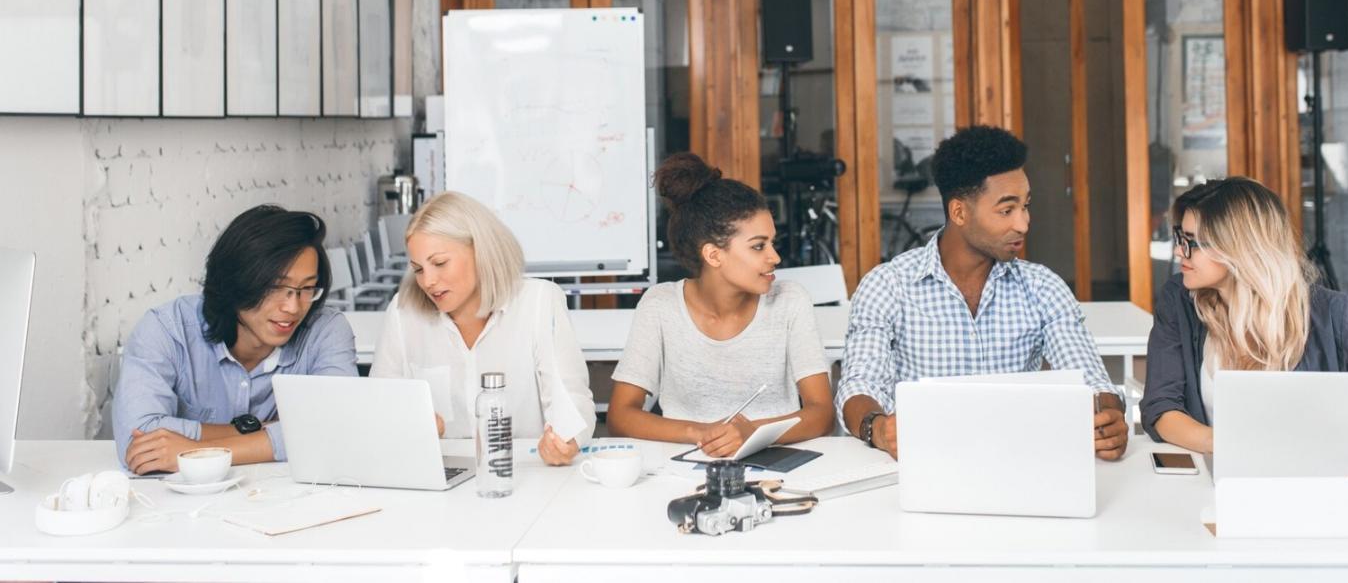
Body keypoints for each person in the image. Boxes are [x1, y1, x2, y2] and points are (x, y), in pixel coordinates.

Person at [837, 125, 1128, 460]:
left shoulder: (1042, 287)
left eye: (1025, 206)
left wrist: (1109, 415)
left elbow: (1092, 381)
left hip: (1018, 463)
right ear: (959, 212)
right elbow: (858, 386)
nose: (1023, 223)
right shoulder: (888, 286)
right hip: (924, 465)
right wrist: (879, 428)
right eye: (1007, 210)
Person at [1141, 176, 1348, 453]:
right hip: (1218, 484)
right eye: (1181, 238)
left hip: (1323, 489)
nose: (1180, 252)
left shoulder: (1337, 315)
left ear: (1242, 248)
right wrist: (1230, 445)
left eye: (1192, 242)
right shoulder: (1180, 300)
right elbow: (1161, 407)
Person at [607, 153, 834, 455]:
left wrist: (753, 433)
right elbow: (620, 415)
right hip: (682, 465)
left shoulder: (790, 301)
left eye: (772, 243)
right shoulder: (660, 306)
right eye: (758, 246)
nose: (775, 257)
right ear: (713, 255)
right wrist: (703, 433)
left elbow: (822, 414)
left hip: (778, 465)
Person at [112, 205, 357, 474]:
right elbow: (139, 441)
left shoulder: (326, 330)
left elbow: (340, 427)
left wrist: (192, 451)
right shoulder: (167, 330)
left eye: (307, 288)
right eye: (276, 287)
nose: (293, 307)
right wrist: (273, 432)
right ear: (236, 282)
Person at [369, 191, 594, 465]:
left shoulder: (538, 301)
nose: (427, 281)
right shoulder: (404, 312)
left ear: (480, 251)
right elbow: (378, 409)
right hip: (438, 475)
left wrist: (565, 440)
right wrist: (410, 427)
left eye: (439, 263)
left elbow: (572, 400)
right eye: (418, 269)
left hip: (522, 474)